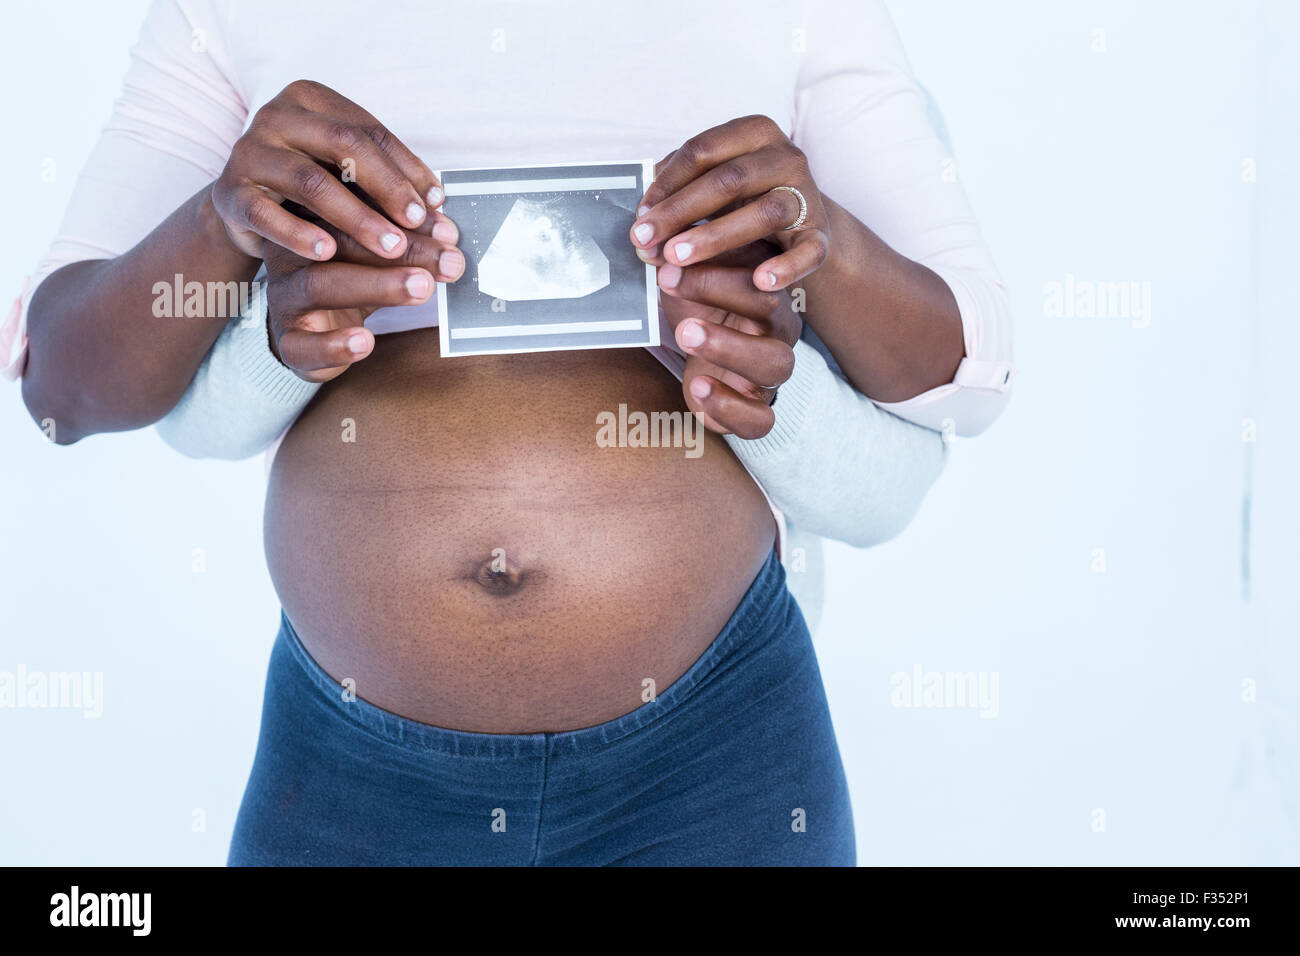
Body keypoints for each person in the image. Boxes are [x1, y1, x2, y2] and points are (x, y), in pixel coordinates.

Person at [8, 0, 1013, 865]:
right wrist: (221, 220)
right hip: (350, 777)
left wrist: (819, 237)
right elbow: (62, 382)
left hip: (713, 765)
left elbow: (966, 375)